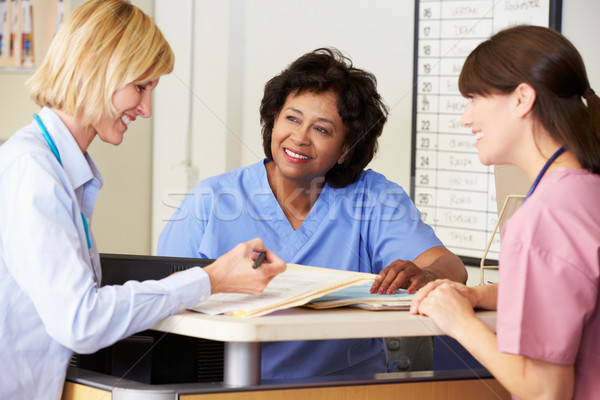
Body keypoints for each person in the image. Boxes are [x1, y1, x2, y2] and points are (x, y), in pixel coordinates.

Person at [0, 1, 285, 399]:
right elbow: (81, 321)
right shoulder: (34, 169)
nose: (147, 109)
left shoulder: (54, 167)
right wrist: (211, 279)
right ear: (96, 71)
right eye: (141, 87)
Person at [158, 47, 467, 380]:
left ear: (345, 149)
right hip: (231, 384)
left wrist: (428, 275)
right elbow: (166, 295)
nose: (300, 138)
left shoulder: (375, 197)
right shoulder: (212, 199)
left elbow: (452, 267)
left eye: (322, 130)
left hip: (350, 388)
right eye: (292, 118)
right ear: (273, 120)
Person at [411, 25, 600, 399]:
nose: (466, 118)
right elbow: (573, 291)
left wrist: (461, 323)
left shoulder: (544, 216)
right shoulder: (585, 192)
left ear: (521, 99)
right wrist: (481, 295)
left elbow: (546, 390)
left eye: (474, 98)